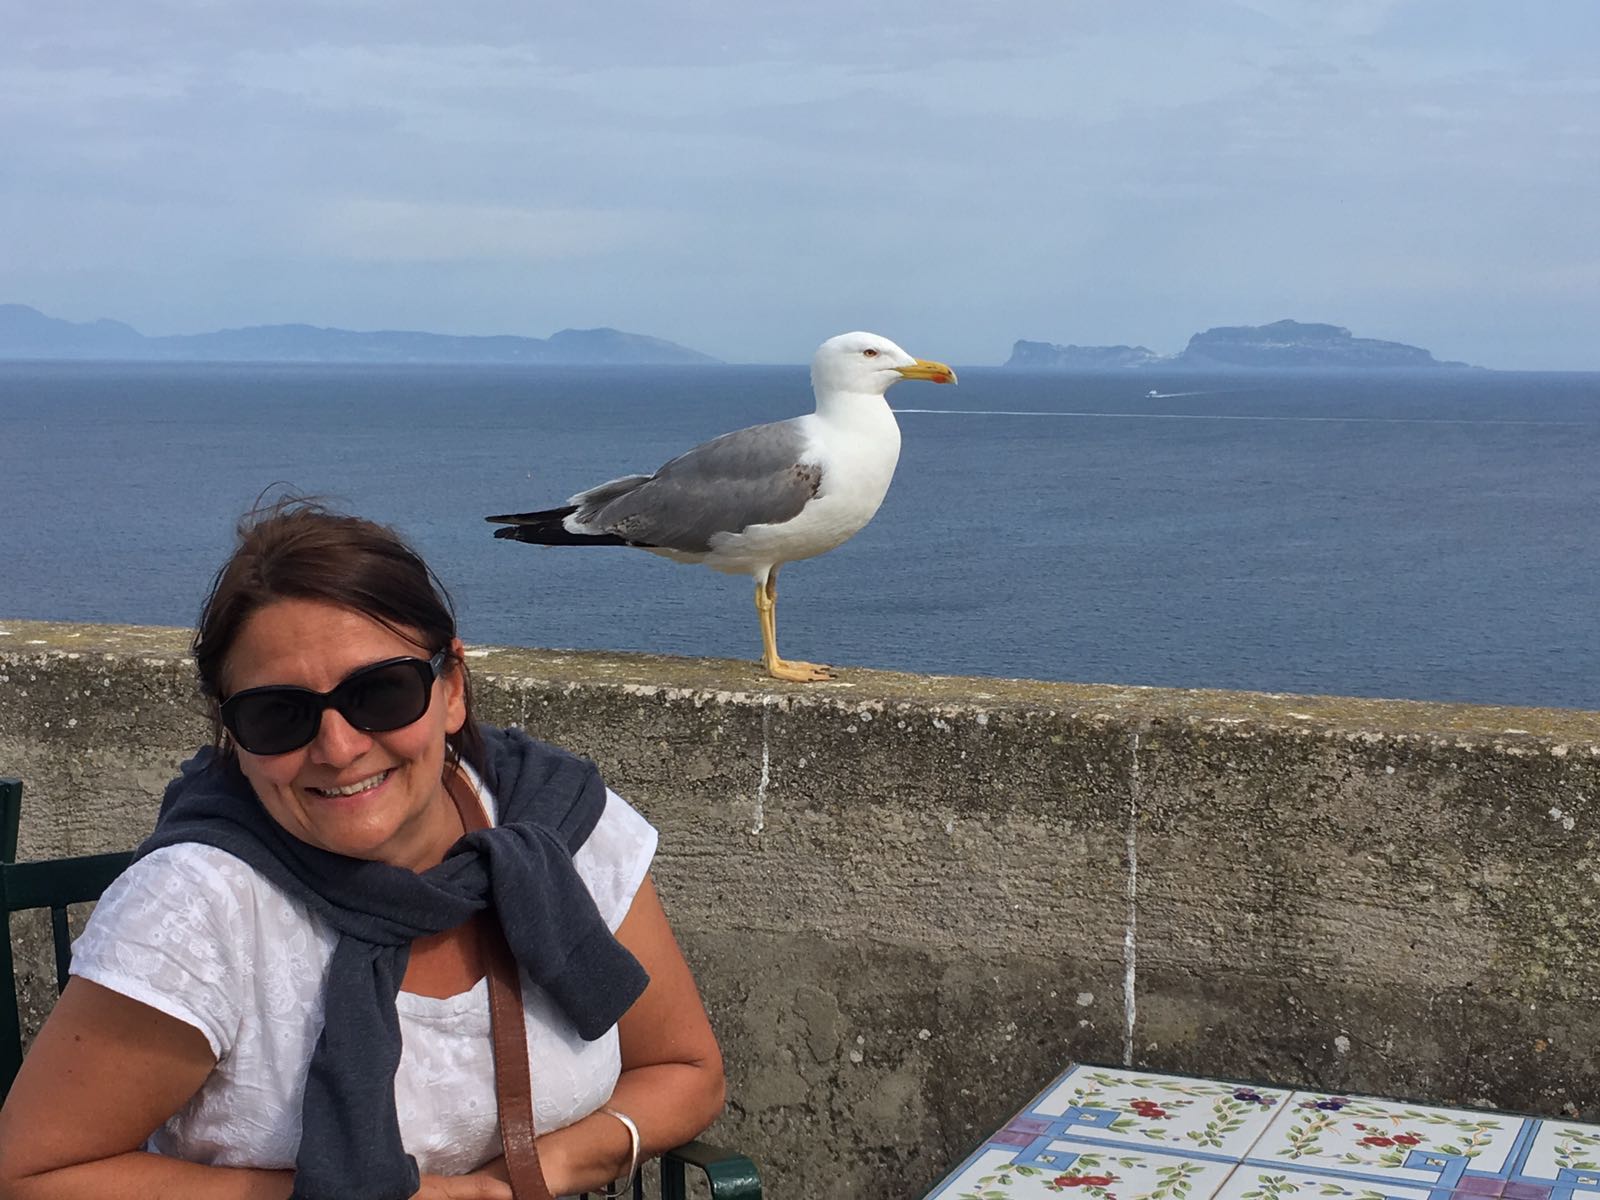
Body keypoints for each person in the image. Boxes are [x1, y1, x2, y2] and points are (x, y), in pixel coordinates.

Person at [0, 499, 725, 1200]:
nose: (339, 749)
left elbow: (685, 1069)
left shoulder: (555, 822)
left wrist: (528, 1175)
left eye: (380, 693)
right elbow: (29, 1175)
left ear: (452, 690)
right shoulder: (197, 908)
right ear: (232, 736)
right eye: (279, 714)